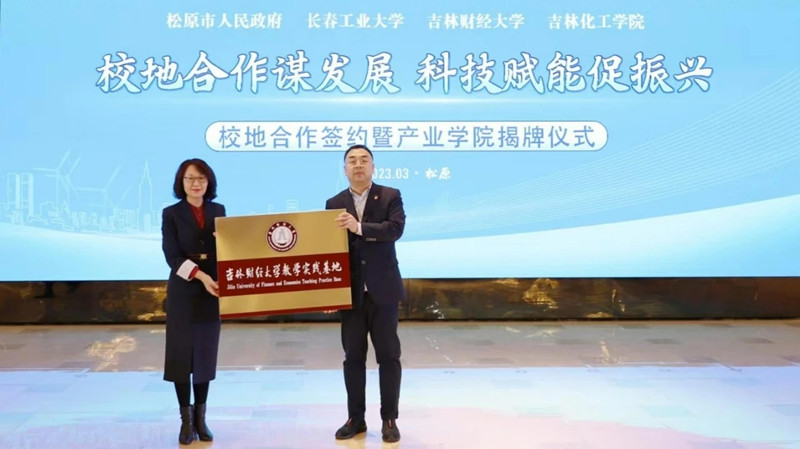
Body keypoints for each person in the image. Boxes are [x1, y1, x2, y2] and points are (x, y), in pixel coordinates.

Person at [325, 144, 406, 443]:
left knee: (389, 356)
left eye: (364, 160)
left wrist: (358, 227)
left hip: (383, 291)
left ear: (373, 167)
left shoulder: (390, 195)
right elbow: (329, 248)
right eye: (352, 161)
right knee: (353, 358)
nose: (358, 165)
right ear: (344, 169)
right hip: (351, 294)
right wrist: (328, 290)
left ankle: (389, 419)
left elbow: (394, 229)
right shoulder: (334, 203)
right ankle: (355, 419)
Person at [161, 158, 225, 445]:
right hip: (184, 290)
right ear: (181, 182)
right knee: (180, 356)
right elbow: (172, 256)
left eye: (201, 178)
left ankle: (201, 419)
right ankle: (186, 421)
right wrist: (201, 276)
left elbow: (227, 247)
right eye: (190, 178)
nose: (196, 183)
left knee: (204, 355)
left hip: (212, 291)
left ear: (208, 182)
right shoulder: (171, 213)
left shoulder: (218, 210)